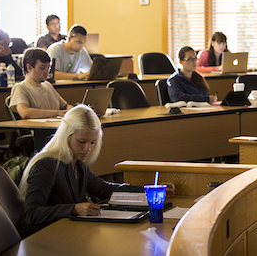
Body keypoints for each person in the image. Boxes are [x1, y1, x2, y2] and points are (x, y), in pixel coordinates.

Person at [19, 104, 175, 235]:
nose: (87, 148)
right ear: (67, 136)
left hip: (65, 233)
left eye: (93, 142)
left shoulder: (77, 164)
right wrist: (73, 209)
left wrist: (149, 190)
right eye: (82, 141)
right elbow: (31, 213)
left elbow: (104, 189)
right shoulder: (46, 165)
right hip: (42, 238)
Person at [10, 47, 73, 119]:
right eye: (42, 68)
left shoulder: (47, 85)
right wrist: (57, 112)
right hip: (39, 129)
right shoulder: (20, 88)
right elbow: (25, 112)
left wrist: (71, 110)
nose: (47, 71)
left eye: (48, 68)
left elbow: (65, 106)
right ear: (29, 68)